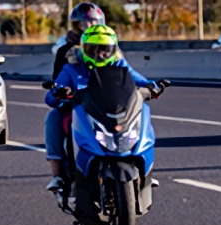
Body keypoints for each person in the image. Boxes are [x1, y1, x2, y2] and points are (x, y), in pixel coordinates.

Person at [44, 24, 152, 193]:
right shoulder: (72, 66)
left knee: (141, 112)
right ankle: (58, 175)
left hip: (111, 112)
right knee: (54, 117)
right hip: (82, 113)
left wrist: (152, 86)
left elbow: (138, 79)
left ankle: (143, 171)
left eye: (104, 50)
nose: (99, 54)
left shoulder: (119, 63)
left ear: (113, 49)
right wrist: (59, 91)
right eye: (92, 49)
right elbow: (52, 95)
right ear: (83, 49)